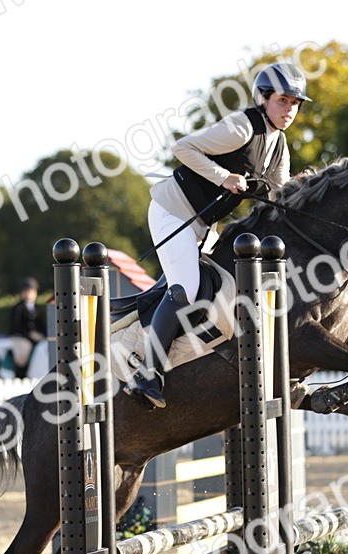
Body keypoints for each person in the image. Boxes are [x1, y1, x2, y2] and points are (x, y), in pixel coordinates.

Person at [124, 62, 311, 410]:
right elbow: (183, 148)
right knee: (188, 288)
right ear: (264, 98)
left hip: (202, 225)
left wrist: (303, 189)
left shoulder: (280, 145)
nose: (289, 110)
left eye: (295, 103)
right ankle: (147, 373)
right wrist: (223, 175)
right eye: (283, 101)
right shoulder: (241, 127)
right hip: (172, 213)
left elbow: (278, 195)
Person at [8, 277, 45, 378]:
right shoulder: (18, 308)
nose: (29, 294)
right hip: (21, 337)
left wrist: (42, 334)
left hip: (37, 336)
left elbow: (42, 325)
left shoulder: (39, 308)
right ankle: (21, 375)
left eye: (31, 292)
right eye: (27, 292)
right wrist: (29, 335)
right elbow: (16, 326)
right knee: (23, 353)